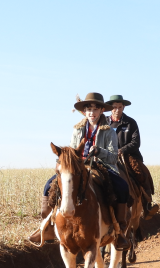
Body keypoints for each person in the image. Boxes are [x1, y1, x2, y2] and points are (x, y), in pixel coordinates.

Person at [28, 93, 131, 249]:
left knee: (122, 187)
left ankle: (119, 230)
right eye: (89, 109)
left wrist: (99, 152)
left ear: (102, 110)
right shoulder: (77, 129)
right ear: (85, 111)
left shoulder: (109, 131)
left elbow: (113, 157)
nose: (92, 112)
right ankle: (47, 226)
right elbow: (72, 152)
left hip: (102, 166)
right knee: (49, 185)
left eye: (95, 109)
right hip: (79, 167)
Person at [108, 94, 158, 219]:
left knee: (140, 173)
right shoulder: (104, 123)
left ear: (123, 107)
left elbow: (136, 142)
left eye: (120, 107)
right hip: (108, 155)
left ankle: (147, 205)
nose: (117, 110)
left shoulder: (130, 122)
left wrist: (122, 150)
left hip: (129, 155)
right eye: (114, 107)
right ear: (110, 108)